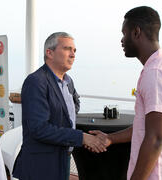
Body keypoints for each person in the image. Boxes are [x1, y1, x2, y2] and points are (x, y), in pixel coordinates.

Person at [90, 6, 162, 180]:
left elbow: (156, 138)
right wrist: (110, 138)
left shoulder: (156, 73)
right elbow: (145, 127)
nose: (122, 40)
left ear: (136, 32)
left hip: (160, 175)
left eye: (124, 33)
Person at [12, 32, 107, 180]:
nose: (73, 54)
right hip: (41, 165)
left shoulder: (68, 81)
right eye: (67, 49)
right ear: (49, 53)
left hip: (63, 158)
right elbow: (39, 129)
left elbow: (74, 105)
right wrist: (82, 137)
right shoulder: (36, 82)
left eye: (74, 50)